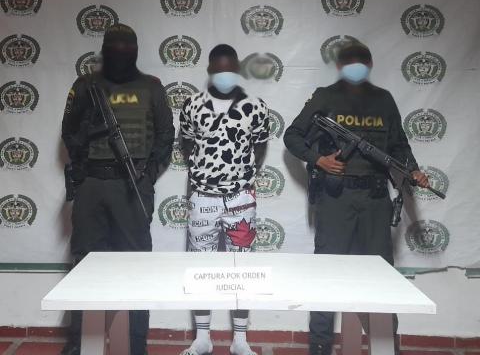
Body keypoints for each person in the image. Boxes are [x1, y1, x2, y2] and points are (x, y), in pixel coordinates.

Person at [283, 43, 429, 355]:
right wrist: (319, 160)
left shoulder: (383, 99)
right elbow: (292, 136)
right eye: (350, 63)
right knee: (326, 276)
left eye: (361, 62)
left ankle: (386, 348)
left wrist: (414, 170)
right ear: (339, 66)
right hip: (336, 198)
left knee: (382, 278)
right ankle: (319, 348)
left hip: (375, 198)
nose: (355, 68)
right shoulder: (325, 97)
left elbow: (399, 145)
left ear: (370, 65)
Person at [60, 23, 175, 355]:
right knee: (85, 263)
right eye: (114, 49)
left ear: (136, 51)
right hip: (93, 184)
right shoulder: (86, 86)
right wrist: (87, 150)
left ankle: (136, 344)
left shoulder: (151, 87)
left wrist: (148, 174)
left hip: (132, 185)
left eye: (127, 49)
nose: (121, 55)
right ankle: (79, 342)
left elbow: (165, 135)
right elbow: (69, 132)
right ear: (104, 51)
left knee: (136, 265)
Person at [179, 44, 269, 355]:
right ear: (209, 71)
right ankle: (202, 338)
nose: (224, 75)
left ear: (238, 70)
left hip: (240, 198)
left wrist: (241, 177)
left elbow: (260, 146)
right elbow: (186, 143)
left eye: (230, 69)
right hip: (202, 197)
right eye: (218, 70)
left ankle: (240, 341)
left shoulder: (255, 106)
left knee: (241, 269)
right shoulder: (192, 105)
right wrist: (205, 174)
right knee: (200, 269)